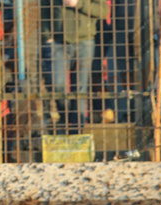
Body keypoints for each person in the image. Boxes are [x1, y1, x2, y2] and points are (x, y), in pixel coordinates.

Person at [42, 0, 111, 130]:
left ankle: (77, 126)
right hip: (57, 43)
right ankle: (65, 119)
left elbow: (103, 11)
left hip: (84, 42)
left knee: (80, 87)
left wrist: (78, 3)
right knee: (57, 85)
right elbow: (44, 10)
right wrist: (47, 37)